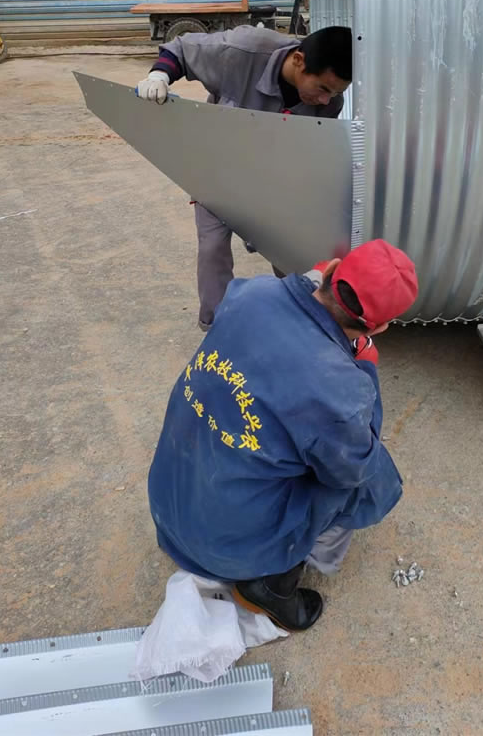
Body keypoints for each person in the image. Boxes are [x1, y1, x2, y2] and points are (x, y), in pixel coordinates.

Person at [147, 239, 418, 631]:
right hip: (223, 551)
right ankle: (274, 582)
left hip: (168, 505)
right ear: (379, 327)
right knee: (370, 476)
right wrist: (365, 369)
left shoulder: (251, 292)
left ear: (329, 269)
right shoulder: (340, 386)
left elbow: (289, 310)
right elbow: (353, 469)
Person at [136, 25, 352, 331]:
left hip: (275, 181)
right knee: (213, 250)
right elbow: (181, 49)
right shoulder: (242, 51)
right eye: (323, 88)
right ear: (300, 61)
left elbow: (310, 151)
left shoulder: (329, 105)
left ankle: (303, 322)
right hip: (218, 171)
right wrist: (159, 75)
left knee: (292, 253)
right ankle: (220, 329)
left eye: (336, 93)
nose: (326, 100)